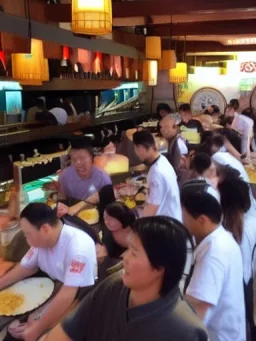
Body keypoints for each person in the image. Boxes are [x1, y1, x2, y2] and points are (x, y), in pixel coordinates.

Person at [39, 216, 208, 341]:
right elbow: (69, 329)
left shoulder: (185, 331)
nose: (125, 258)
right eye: (127, 249)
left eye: (134, 253)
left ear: (159, 268)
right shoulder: (114, 286)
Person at [1, 203, 97, 341]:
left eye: (28, 234)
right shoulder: (42, 242)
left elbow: (69, 293)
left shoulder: (78, 247)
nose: (27, 241)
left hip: (83, 297)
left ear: (45, 229)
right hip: (59, 288)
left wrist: (38, 327)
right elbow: (25, 268)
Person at [181, 190, 246, 341]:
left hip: (219, 335)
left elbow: (199, 306)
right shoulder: (222, 238)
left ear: (202, 220)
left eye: (185, 217)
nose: (183, 221)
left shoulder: (213, 253)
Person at [132, 130, 182, 221]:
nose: (136, 153)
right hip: (173, 217)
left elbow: (152, 207)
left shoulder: (156, 172)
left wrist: (138, 224)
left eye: (135, 149)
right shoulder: (162, 160)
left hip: (167, 224)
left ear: (140, 148)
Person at [58, 137, 112, 216]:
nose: (78, 163)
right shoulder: (65, 176)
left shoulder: (103, 179)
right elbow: (62, 197)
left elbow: (108, 209)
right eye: (74, 160)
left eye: (82, 158)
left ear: (92, 158)